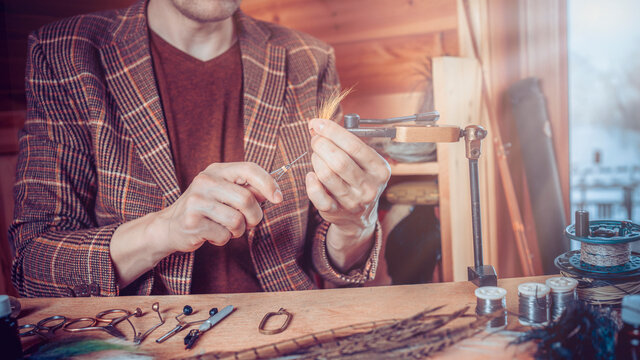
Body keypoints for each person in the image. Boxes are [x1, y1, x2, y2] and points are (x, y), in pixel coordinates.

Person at [9, 0, 390, 297]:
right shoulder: (64, 52)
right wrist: (164, 229)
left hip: (286, 330)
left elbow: (331, 262)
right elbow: (33, 268)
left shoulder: (308, 58)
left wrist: (356, 222)